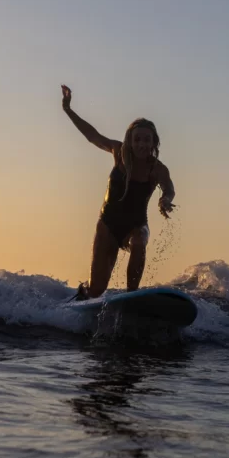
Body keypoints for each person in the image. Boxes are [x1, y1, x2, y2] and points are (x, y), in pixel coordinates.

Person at [61, 85, 176, 299]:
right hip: (108, 224)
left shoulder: (158, 169)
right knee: (97, 290)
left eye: (147, 140)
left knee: (139, 241)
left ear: (154, 142)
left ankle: (132, 296)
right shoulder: (118, 152)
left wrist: (165, 200)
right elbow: (92, 135)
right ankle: (82, 295)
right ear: (130, 141)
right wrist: (68, 109)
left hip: (137, 224)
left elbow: (169, 188)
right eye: (137, 139)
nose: (142, 144)